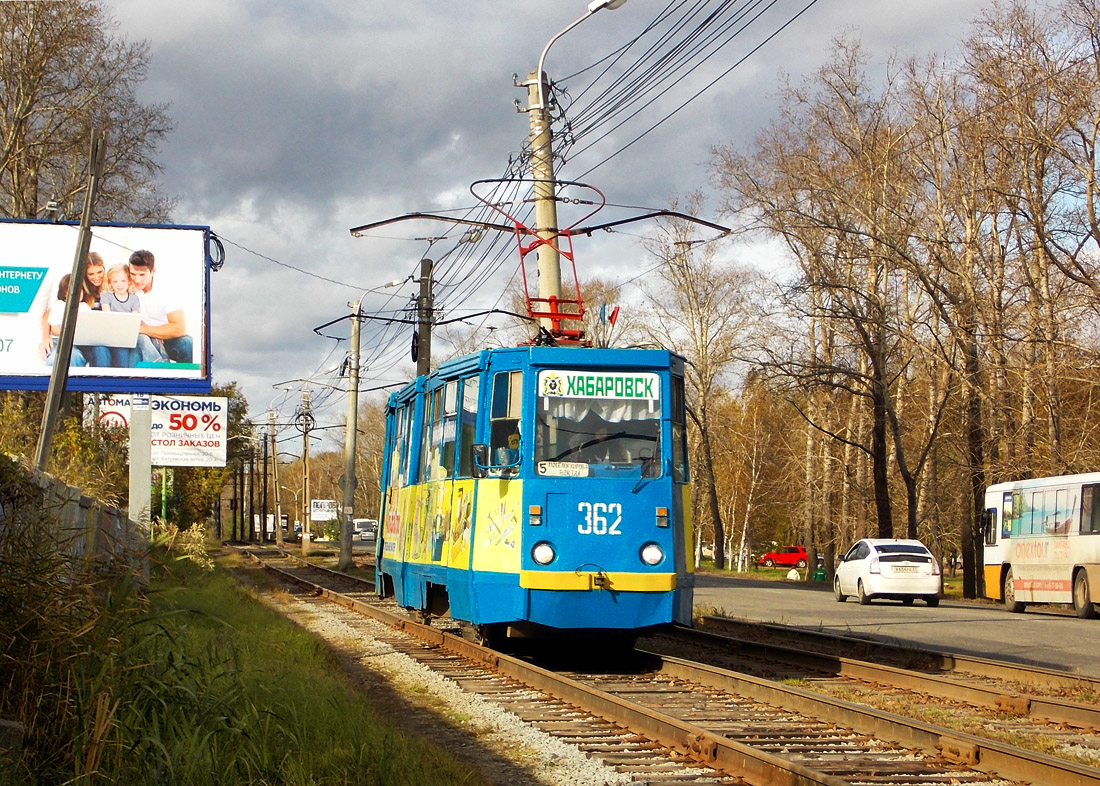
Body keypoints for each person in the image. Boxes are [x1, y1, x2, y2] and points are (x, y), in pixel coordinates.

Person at [39, 252, 110, 366]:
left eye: (100, 272)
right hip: (74, 338)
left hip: (95, 338)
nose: (96, 277)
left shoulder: (111, 285)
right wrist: (45, 337)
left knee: (102, 350)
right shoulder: (77, 288)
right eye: (91, 274)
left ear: (104, 269)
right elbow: (49, 314)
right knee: (71, 355)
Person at [128, 249, 193, 363]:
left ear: (153, 271)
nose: (137, 280)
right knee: (139, 341)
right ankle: (159, 365)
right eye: (133, 274)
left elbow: (179, 328)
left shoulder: (165, 290)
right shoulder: (126, 286)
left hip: (165, 338)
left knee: (187, 343)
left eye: (142, 275)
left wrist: (144, 329)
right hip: (142, 339)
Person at [100, 263, 165, 367]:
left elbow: (134, 320)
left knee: (142, 339)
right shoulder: (106, 296)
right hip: (113, 333)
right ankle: (159, 361)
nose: (119, 284)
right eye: (115, 281)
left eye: (123, 281)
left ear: (129, 281)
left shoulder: (134, 298)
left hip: (128, 334)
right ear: (110, 283)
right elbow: (107, 317)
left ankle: (158, 362)